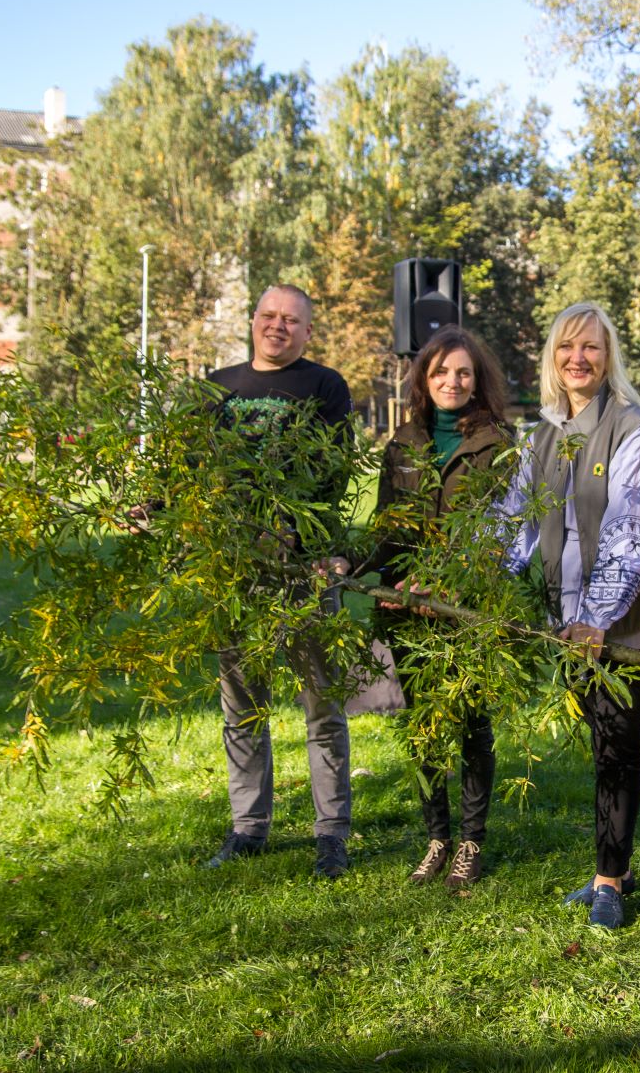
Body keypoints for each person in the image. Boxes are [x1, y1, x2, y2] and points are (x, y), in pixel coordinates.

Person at [498, 301, 640, 929]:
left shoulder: (632, 429)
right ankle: (609, 870)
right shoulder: (540, 434)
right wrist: (475, 577)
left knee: (617, 748)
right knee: (601, 744)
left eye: (591, 347)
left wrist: (597, 617)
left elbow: (630, 529)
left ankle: (610, 884)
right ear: (552, 357)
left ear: (608, 357)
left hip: (622, 630)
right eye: (568, 347)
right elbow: (514, 522)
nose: (578, 358)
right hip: (569, 630)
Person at [200, 285, 356, 879]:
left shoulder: (324, 387)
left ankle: (331, 833)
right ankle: (248, 828)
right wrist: (151, 509)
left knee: (322, 704)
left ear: (308, 332)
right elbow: (186, 465)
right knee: (241, 706)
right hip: (237, 570)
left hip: (305, 569)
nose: (277, 326)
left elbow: (334, 470)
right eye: (268, 315)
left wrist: (287, 532)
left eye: (291, 320)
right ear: (252, 320)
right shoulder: (217, 387)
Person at [373, 326, 513, 888]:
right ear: (423, 379)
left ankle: (471, 842)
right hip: (410, 608)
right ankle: (437, 836)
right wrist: (351, 565)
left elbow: (503, 531)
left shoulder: (497, 443)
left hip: (469, 608)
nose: (451, 382)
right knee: (425, 724)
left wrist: (455, 586)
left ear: (477, 381)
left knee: (472, 723)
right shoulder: (403, 444)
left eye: (462, 373)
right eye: (440, 373)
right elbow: (388, 530)